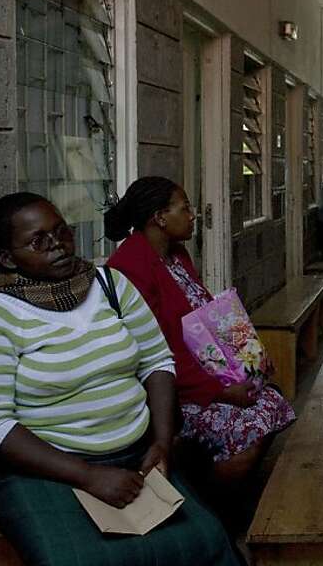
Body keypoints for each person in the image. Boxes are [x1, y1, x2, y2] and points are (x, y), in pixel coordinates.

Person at [0, 192, 253, 566]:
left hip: (135, 456)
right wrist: (88, 476)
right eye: (38, 240)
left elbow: (157, 361)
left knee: (208, 542)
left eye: (62, 232)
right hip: (45, 471)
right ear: (7, 258)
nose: (57, 244)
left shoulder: (110, 286)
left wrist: (162, 442)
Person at [106, 177, 296, 494]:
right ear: (160, 217)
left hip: (205, 374)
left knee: (269, 398)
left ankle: (225, 495)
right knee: (250, 424)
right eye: (186, 208)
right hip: (170, 390)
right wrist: (220, 392)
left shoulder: (177, 256)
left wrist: (253, 359)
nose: (193, 215)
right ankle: (215, 508)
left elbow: (210, 317)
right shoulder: (130, 268)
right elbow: (158, 350)